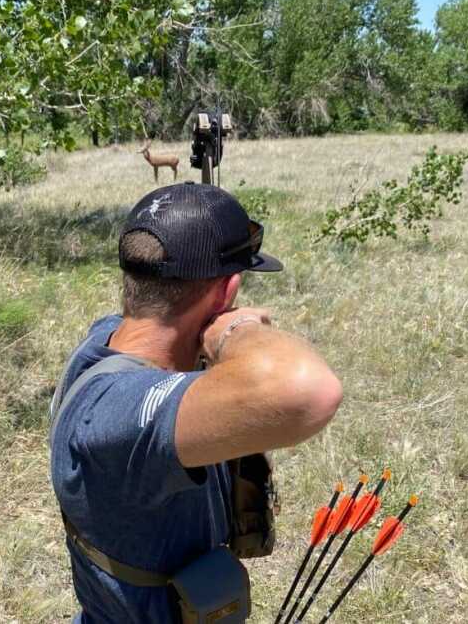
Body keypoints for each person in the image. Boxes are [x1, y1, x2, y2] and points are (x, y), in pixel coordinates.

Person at [49, 182, 343, 623]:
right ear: (227, 293)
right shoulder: (116, 414)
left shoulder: (110, 336)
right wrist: (235, 330)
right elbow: (311, 391)